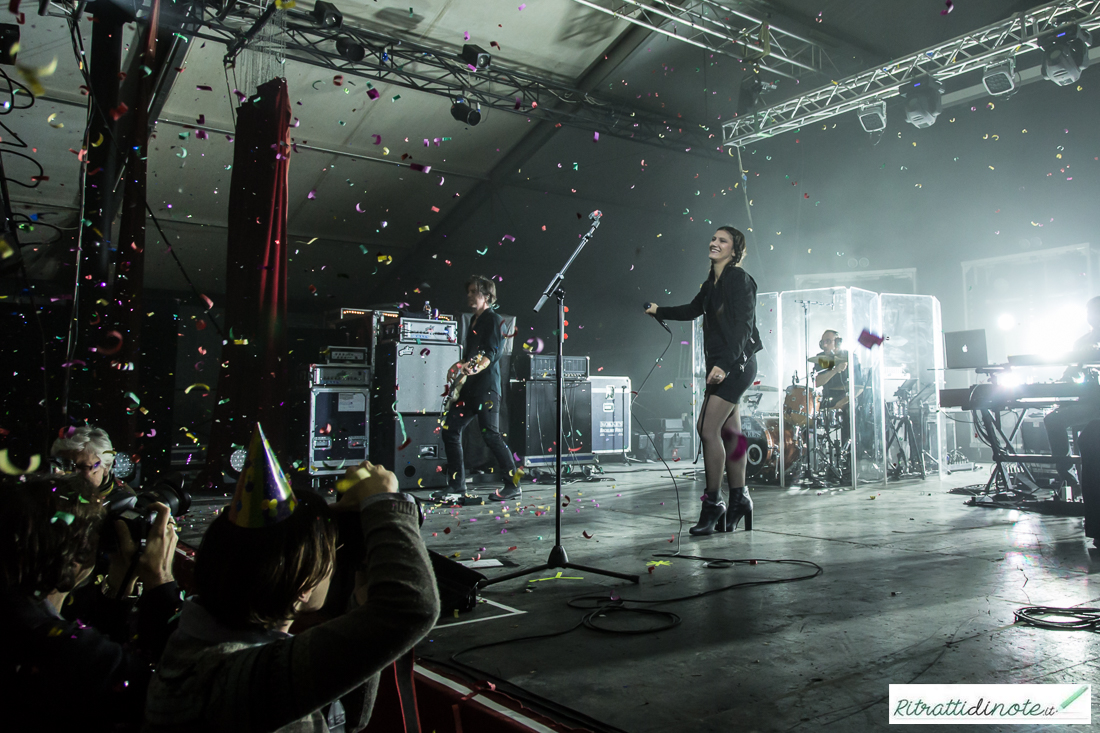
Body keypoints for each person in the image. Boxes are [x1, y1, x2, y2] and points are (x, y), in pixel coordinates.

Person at [144, 423, 440, 733]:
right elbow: (411, 607)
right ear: (303, 585)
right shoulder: (242, 677)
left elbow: (346, 720)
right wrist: (384, 503)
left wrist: (359, 605)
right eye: (329, 556)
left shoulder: (198, 644)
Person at [0, 473, 181, 732]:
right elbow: (175, 695)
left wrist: (119, 584)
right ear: (74, 556)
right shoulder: (64, 650)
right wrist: (160, 580)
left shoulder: (17, 613)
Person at [646, 226, 763, 536]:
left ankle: (713, 504)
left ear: (735, 250)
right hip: (723, 365)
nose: (714, 243)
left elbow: (744, 328)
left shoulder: (739, 279)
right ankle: (740, 500)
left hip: (736, 364)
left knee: (706, 428)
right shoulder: (711, 283)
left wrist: (724, 366)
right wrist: (661, 311)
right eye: (713, 239)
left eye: (722, 240)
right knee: (730, 433)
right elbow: (693, 309)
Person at [442, 275, 523, 502]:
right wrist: (458, 366)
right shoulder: (474, 321)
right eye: (467, 292)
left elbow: (492, 352)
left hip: (486, 389)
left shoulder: (494, 319)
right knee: (450, 430)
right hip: (470, 389)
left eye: (473, 292)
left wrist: (473, 367)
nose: (469, 296)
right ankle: (457, 486)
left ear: (486, 295)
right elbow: (471, 355)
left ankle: (512, 485)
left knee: (492, 436)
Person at [1044, 296, 1100, 494]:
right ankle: (1067, 476)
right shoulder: (1081, 342)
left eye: (1094, 311)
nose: (1091, 316)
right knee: (1053, 420)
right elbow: (1071, 372)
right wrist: (1059, 383)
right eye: (1089, 312)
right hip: (1088, 403)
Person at [51, 424, 131, 497]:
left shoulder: (124, 502)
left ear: (106, 466)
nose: (70, 472)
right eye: (65, 464)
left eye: (82, 467)